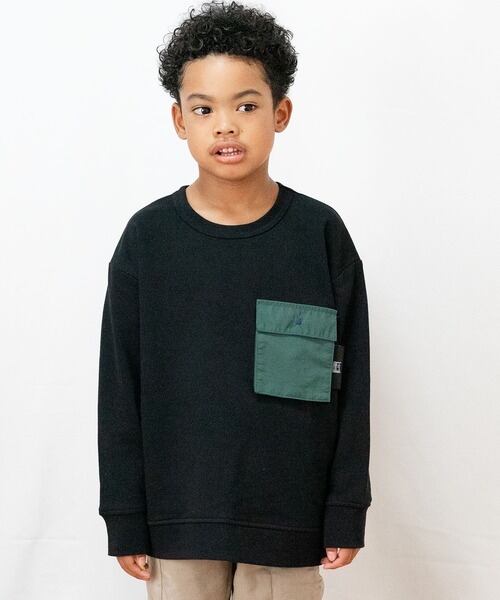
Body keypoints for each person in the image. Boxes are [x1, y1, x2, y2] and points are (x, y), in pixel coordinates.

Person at [97, 1, 372, 598]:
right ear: (179, 120)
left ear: (281, 113)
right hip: (177, 521)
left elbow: (351, 386)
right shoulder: (148, 240)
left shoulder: (320, 235)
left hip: (289, 521)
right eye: (204, 109)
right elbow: (119, 387)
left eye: (246, 106)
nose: (226, 125)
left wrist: (346, 507)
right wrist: (124, 515)